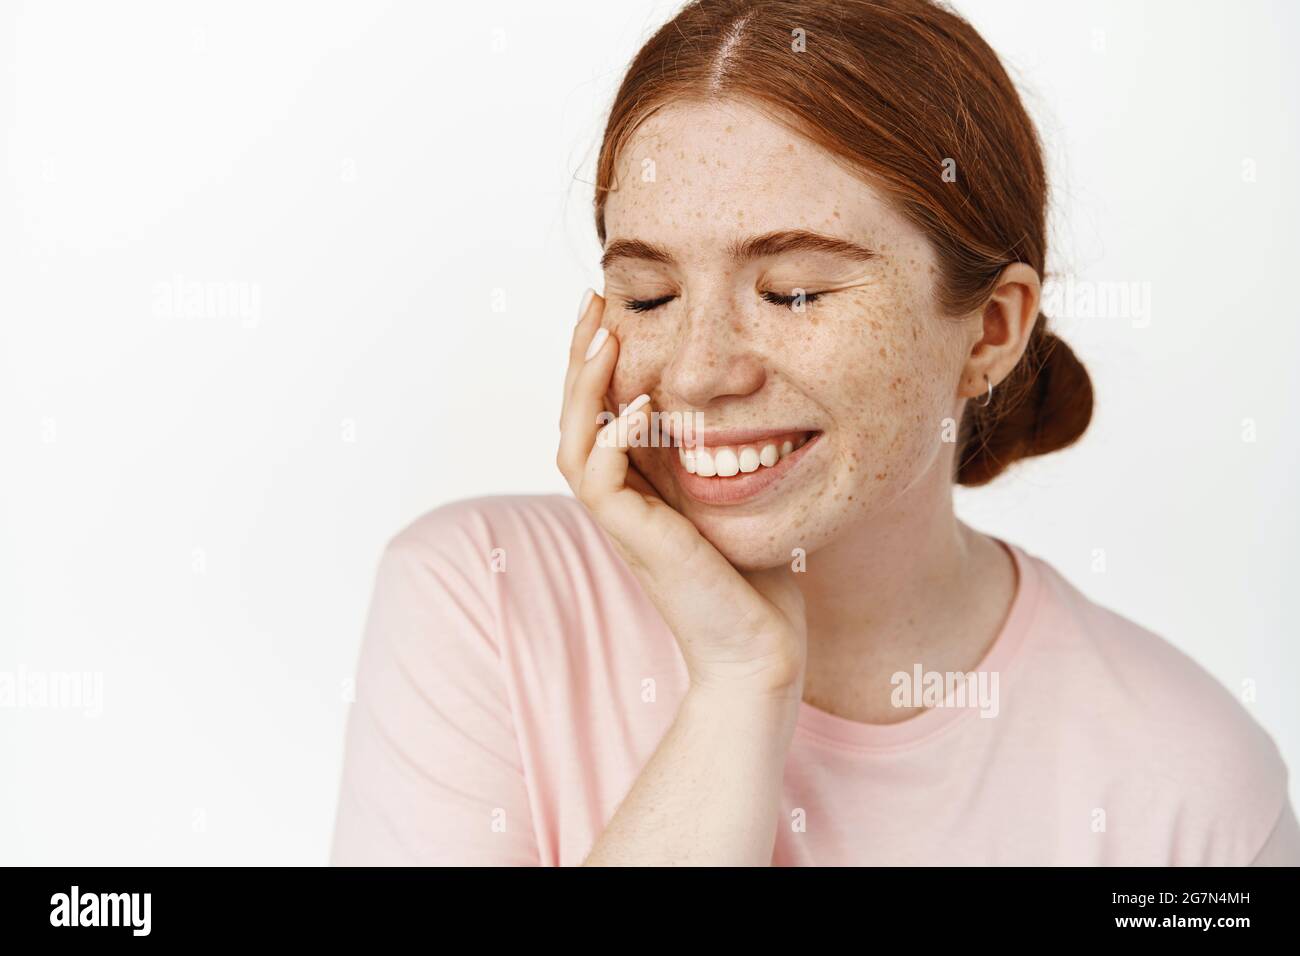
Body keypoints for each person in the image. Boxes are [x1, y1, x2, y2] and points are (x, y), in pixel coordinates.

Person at [330, 0, 1298, 866]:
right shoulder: (480, 600)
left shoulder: (1186, 784)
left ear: (992, 329)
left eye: (792, 289)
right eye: (648, 293)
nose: (700, 371)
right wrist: (740, 684)